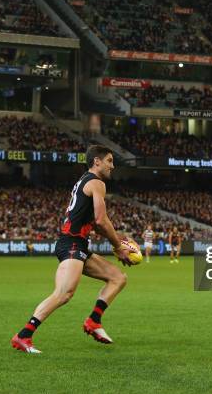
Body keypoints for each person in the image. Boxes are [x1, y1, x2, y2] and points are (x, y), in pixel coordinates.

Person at [11, 145, 135, 354]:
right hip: (71, 244)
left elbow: (95, 223)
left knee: (118, 278)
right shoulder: (97, 182)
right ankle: (23, 336)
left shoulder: (84, 181)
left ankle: (93, 321)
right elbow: (101, 219)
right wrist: (118, 246)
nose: (112, 166)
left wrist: (118, 238)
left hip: (78, 244)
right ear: (97, 161)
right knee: (64, 293)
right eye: (109, 161)